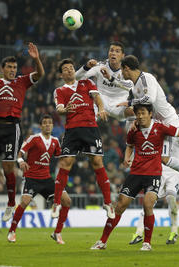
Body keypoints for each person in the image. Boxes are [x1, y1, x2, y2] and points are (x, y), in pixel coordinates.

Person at [118, 55, 179, 244]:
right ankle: (139, 232)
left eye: (122, 69)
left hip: (166, 122)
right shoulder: (136, 87)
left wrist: (129, 105)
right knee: (153, 187)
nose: (121, 73)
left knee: (162, 156)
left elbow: (167, 111)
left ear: (127, 68)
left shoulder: (147, 79)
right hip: (160, 121)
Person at [91, 104, 179, 251]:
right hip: (135, 174)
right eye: (138, 113)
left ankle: (147, 243)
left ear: (150, 114)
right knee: (119, 206)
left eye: (143, 113)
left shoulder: (160, 128)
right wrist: (126, 158)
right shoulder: (133, 130)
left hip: (153, 175)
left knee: (147, 204)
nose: (140, 116)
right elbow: (129, 145)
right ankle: (102, 241)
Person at [0, 39, 45, 221]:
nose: (13, 70)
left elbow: (40, 74)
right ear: (3, 68)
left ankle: (10, 204)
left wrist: (37, 59)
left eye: (15, 67)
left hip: (12, 128)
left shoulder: (22, 82)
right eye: (10, 67)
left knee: (8, 167)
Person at [51, 58, 114, 219]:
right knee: (65, 164)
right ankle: (56, 203)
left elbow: (98, 99)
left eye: (71, 67)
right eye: (65, 69)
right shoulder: (60, 91)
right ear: (61, 74)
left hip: (90, 128)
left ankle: (108, 203)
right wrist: (65, 109)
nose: (70, 70)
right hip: (72, 131)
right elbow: (59, 109)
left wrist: (100, 109)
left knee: (97, 163)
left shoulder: (86, 83)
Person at [7, 114, 70, 244]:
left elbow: (60, 156)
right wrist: (20, 161)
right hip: (32, 178)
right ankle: (12, 231)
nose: (48, 125)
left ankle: (57, 232)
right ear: (41, 126)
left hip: (46, 179)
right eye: (45, 123)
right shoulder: (33, 139)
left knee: (67, 201)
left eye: (50, 122)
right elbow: (20, 152)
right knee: (24, 202)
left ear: (53, 125)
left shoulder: (55, 141)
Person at [75, 41, 136, 129]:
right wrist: (86, 66)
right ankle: (86, 137)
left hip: (119, 104)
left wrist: (110, 78)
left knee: (133, 111)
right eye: (111, 50)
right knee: (87, 117)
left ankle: (133, 139)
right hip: (101, 102)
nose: (113, 53)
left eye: (117, 51)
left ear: (123, 55)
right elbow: (77, 78)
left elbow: (130, 86)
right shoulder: (100, 66)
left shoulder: (127, 69)